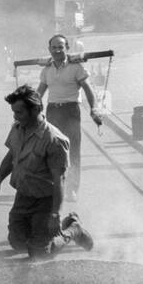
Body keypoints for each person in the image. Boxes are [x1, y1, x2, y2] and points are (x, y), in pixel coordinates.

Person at [0, 85, 77, 258]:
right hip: (23, 196)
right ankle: (43, 239)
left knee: (39, 253)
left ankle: (73, 230)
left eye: (19, 112)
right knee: (17, 242)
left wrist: (55, 213)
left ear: (35, 109)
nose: (15, 116)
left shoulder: (54, 140)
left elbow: (60, 180)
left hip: (45, 201)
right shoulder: (17, 128)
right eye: (14, 112)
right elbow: (12, 155)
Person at [36, 34, 103, 201]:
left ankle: (72, 189)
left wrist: (94, 108)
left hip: (71, 111)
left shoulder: (76, 68)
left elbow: (87, 89)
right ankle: (54, 186)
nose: (57, 50)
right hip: (53, 111)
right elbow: (40, 92)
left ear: (67, 49)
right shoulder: (47, 70)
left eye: (61, 47)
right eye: (54, 47)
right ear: (49, 50)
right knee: (52, 150)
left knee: (73, 151)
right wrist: (31, 109)